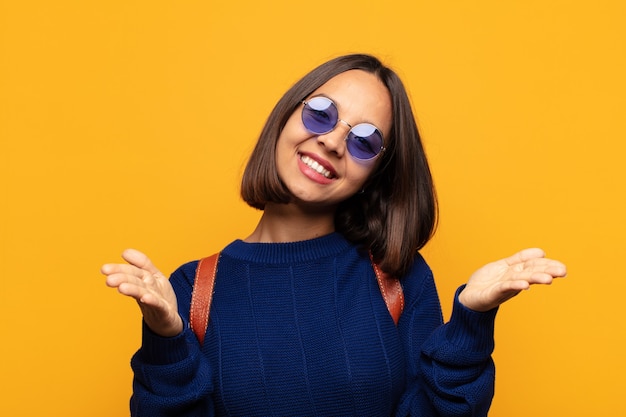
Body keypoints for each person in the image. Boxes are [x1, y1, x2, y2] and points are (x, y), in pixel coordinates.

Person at [101, 54, 567, 417]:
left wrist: (470, 321)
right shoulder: (193, 290)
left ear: (374, 175)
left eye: (364, 140)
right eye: (321, 113)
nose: (332, 141)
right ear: (286, 116)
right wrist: (166, 342)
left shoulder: (398, 280)